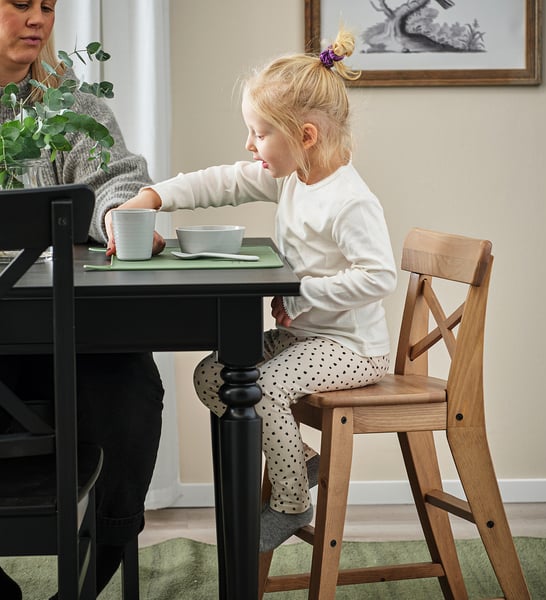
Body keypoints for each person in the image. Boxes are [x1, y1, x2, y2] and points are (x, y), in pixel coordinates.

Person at [106, 28, 397, 552]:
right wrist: (151, 197)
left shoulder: (349, 200)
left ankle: (290, 503)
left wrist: (302, 294)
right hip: (304, 340)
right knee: (213, 376)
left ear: (305, 136)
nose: (250, 145)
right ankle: (300, 462)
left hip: (353, 349)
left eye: (259, 134)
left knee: (259, 390)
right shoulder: (292, 178)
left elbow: (379, 276)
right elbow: (222, 181)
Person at [0, 1, 164, 598]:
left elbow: (116, 177)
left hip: (65, 337)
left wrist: (120, 214)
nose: (38, 17)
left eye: (47, 5)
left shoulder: (72, 105)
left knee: (130, 387)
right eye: (20, 2)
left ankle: (89, 579)